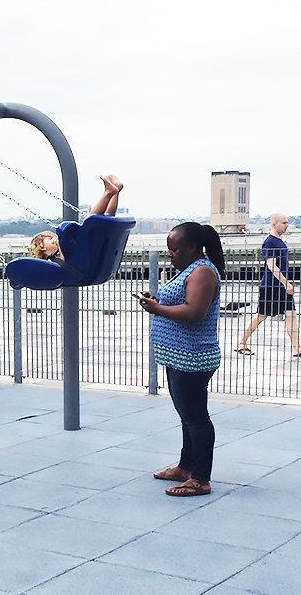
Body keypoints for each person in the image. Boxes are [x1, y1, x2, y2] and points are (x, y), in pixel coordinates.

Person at [137, 222, 225, 497]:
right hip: (179, 355)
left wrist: (157, 308)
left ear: (191, 247)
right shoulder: (190, 270)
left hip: (193, 356)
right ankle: (186, 467)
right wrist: (156, 302)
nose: (170, 254)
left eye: (174, 249)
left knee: (196, 417)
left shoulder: (202, 272)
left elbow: (194, 312)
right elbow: (181, 303)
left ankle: (200, 479)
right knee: (187, 415)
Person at [236, 213, 300, 357]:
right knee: (261, 316)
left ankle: (297, 347)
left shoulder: (280, 242)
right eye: (284, 223)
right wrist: (286, 283)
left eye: (287, 222)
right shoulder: (270, 242)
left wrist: (285, 284)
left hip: (281, 286)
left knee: (291, 315)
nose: (287, 225)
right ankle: (241, 342)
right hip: (271, 286)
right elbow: (271, 266)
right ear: (274, 224)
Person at [29, 174, 124, 261]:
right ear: (43, 248)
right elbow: (66, 261)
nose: (55, 240)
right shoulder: (55, 260)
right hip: (87, 257)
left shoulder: (59, 254)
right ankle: (109, 192)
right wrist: (60, 244)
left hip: (91, 254)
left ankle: (115, 192)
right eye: (51, 240)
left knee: (106, 216)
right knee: (90, 220)